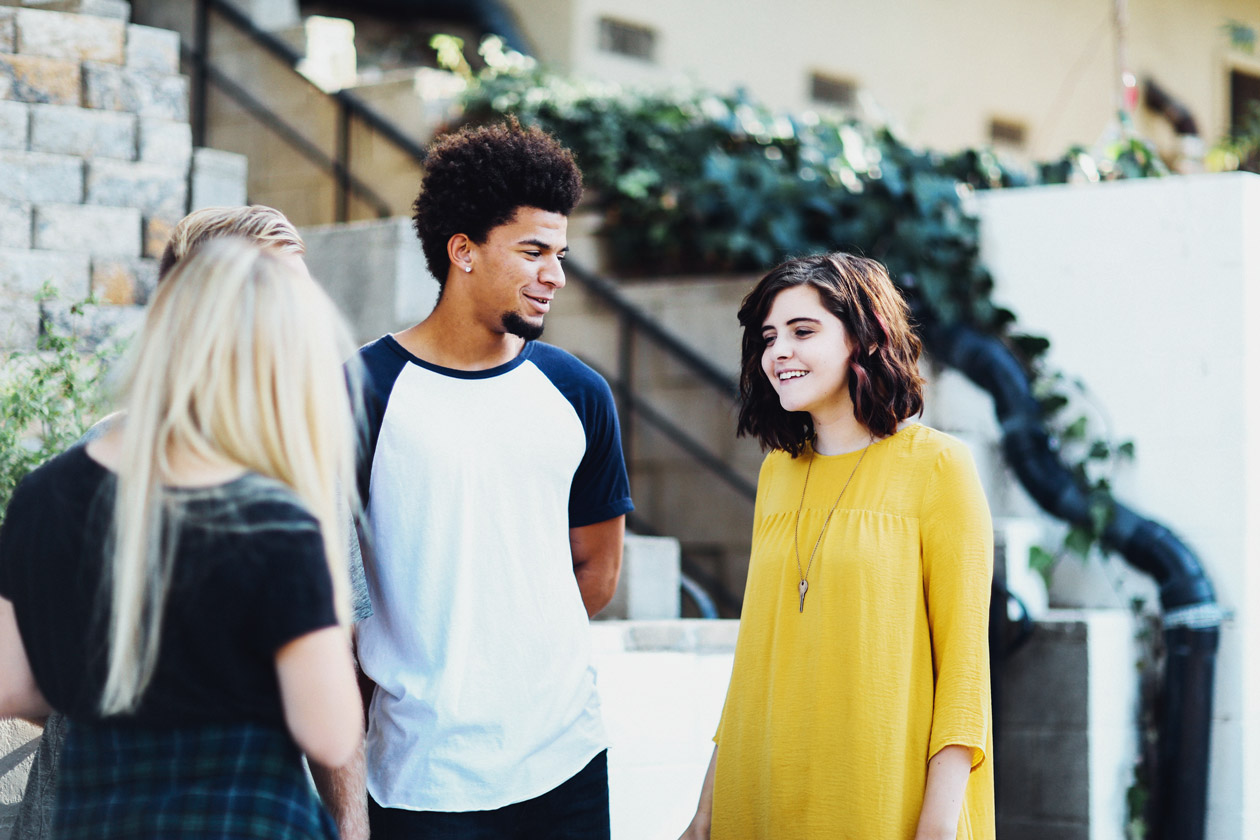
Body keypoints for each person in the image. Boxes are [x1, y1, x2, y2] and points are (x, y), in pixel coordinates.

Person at [6, 204, 376, 840]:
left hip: (88, 815)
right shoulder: (293, 489)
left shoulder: (57, 485)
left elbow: (15, 687)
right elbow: (331, 723)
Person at [338, 119, 633, 839]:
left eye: (559, 255)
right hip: (419, 772)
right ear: (462, 250)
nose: (554, 276)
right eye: (533, 252)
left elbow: (597, 572)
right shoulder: (361, 389)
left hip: (564, 757)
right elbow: (325, 582)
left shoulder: (578, 392)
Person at [679, 253, 994, 840]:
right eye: (769, 337)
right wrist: (705, 814)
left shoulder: (939, 468)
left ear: (865, 340)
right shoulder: (776, 473)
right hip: (762, 793)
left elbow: (964, 673)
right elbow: (755, 659)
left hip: (878, 798)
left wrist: (938, 826)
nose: (779, 352)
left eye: (804, 331)